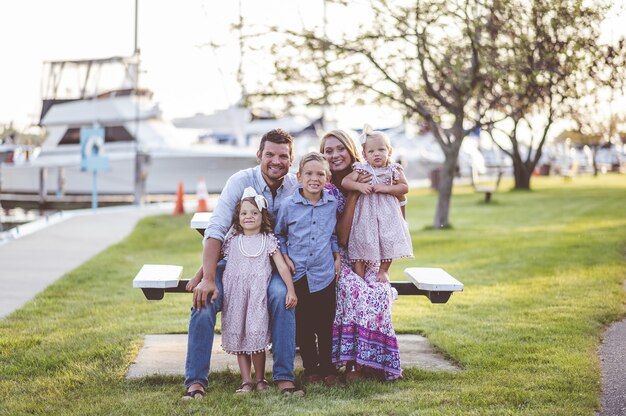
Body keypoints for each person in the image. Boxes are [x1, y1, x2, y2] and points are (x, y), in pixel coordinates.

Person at [182, 128, 304, 400]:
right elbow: (216, 230)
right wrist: (209, 277)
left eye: (283, 156)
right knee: (205, 300)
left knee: (282, 295)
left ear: (291, 159)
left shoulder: (297, 184)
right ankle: (196, 381)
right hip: (236, 264)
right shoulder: (240, 181)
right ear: (259, 154)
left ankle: (284, 377)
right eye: (269, 154)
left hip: (274, 263)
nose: (276, 161)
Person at [321, 129, 403, 381]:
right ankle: (352, 364)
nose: (335, 155)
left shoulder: (372, 171)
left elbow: (399, 214)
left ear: (352, 150)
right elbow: (342, 239)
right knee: (352, 288)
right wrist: (356, 192)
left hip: (372, 252)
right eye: (328, 151)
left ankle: (377, 362)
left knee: (378, 291)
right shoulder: (325, 186)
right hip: (340, 255)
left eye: (340, 148)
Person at [219, 188, 297, 393]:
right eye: (244, 213)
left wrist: (291, 290)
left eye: (254, 212)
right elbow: (214, 259)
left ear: (263, 217)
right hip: (235, 298)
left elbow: (281, 266)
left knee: (257, 338)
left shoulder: (268, 240)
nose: (249, 217)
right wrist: (199, 278)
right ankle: (246, 380)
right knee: (240, 339)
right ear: (238, 217)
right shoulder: (232, 240)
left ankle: (260, 379)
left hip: (257, 298)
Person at [274, 152, 342, 386]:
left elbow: (332, 234)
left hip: (323, 273)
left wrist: (336, 255)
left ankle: (328, 367)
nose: (315, 178)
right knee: (304, 324)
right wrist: (285, 257)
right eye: (309, 174)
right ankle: (311, 368)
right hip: (299, 273)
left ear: (328, 178)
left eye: (320, 174)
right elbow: (279, 235)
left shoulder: (332, 204)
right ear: (299, 177)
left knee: (325, 324)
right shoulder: (288, 205)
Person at [341, 124, 413, 282]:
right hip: (366, 215)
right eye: (371, 151)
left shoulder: (394, 169)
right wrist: (359, 186)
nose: (377, 154)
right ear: (364, 155)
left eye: (381, 150)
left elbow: (405, 187)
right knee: (361, 239)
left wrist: (387, 188)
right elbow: (345, 182)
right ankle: (358, 273)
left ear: (390, 151)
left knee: (388, 240)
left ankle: (383, 270)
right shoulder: (362, 169)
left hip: (387, 215)